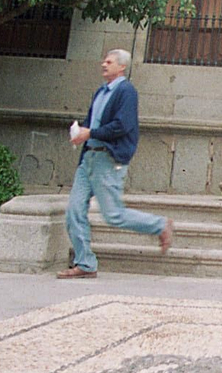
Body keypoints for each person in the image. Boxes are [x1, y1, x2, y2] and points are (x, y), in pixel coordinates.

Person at [58, 48, 173, 278]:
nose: (103, 64)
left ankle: (160, 225)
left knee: (113, 215)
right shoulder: (100, 93)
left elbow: (123, 125)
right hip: (89, 158)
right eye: (103, 61)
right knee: (73, 210)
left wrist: (89, 133)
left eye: (109, 62)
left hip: (108, 160)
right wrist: (81, 134)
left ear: (121, 67)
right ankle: (85, 263)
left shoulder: (126, 91)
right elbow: (93, 125)